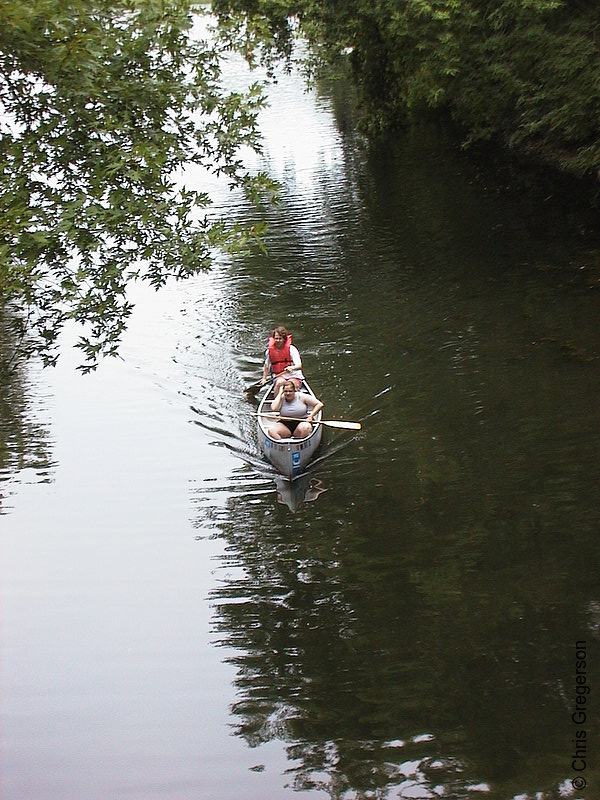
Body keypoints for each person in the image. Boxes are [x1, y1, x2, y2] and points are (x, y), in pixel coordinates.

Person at [261, 326, 304, 391]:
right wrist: (264, 378)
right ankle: (277, 400)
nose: (277, 341)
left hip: (294, 376)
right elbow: (266, 366)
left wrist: (292, 368)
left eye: (280, 339)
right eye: (276, 338)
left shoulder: (291, 349)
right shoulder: (269, 351)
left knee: (290, 385)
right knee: (279, 383)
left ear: (284, 339)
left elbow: (299, 365)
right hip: (279, 376)